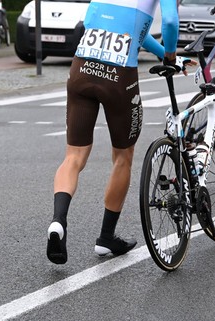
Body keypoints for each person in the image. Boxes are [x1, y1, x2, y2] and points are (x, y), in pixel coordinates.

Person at [46, 0, 180, 264]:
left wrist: (160, 50)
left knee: (74, 156)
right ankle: (106, 237)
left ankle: (58, 221)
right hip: (118, 76)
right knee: (122, 157)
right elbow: (170, 22)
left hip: (82, 68)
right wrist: (171, 55)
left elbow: (124, 30)